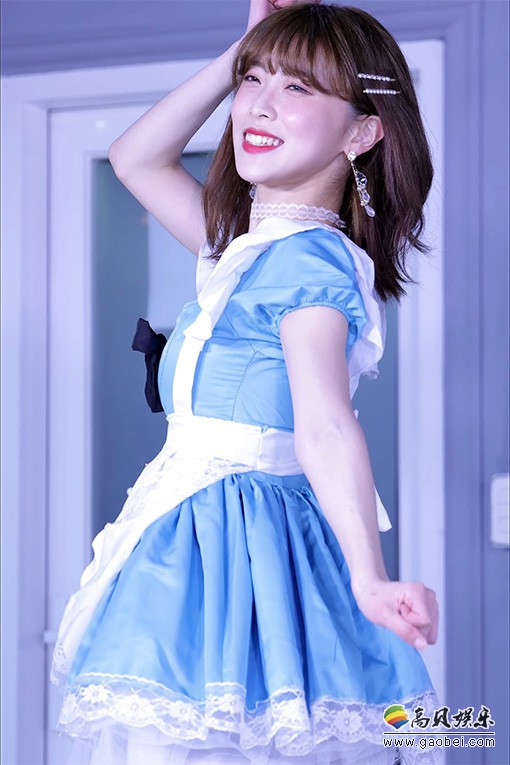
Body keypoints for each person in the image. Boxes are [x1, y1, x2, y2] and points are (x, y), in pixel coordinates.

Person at [51, 1, 444, 763]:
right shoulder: (246, 252)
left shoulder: (307, 262)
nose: (259, 105)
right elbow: (136, 158)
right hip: (206, 529)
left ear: (363, 132)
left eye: (298, 88)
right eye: (253, 81)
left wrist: (371, 576)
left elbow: (324, 420)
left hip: (234, 537)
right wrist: (243, 48)